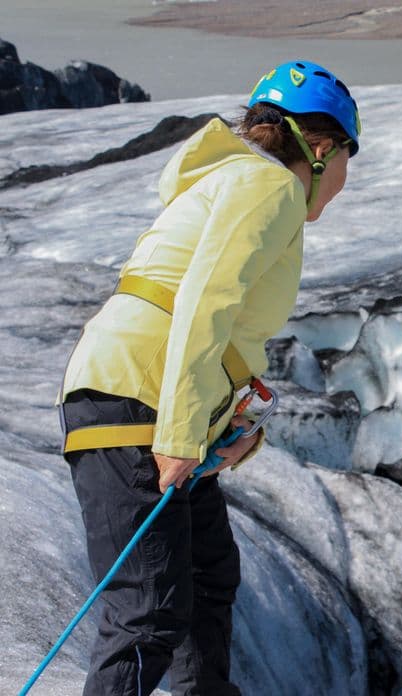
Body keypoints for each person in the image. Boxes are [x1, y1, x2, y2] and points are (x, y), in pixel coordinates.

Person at [57, 59, 360, 695]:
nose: (342, 183)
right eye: (347, 161)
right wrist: (179, 434)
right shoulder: (270, 185)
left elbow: (217, 327)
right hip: (138, 400)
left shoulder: (238, 180)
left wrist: (226, 425)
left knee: (206, 576)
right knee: (148, 609)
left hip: (143, 394)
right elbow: (205, 302)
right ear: (322, 148)